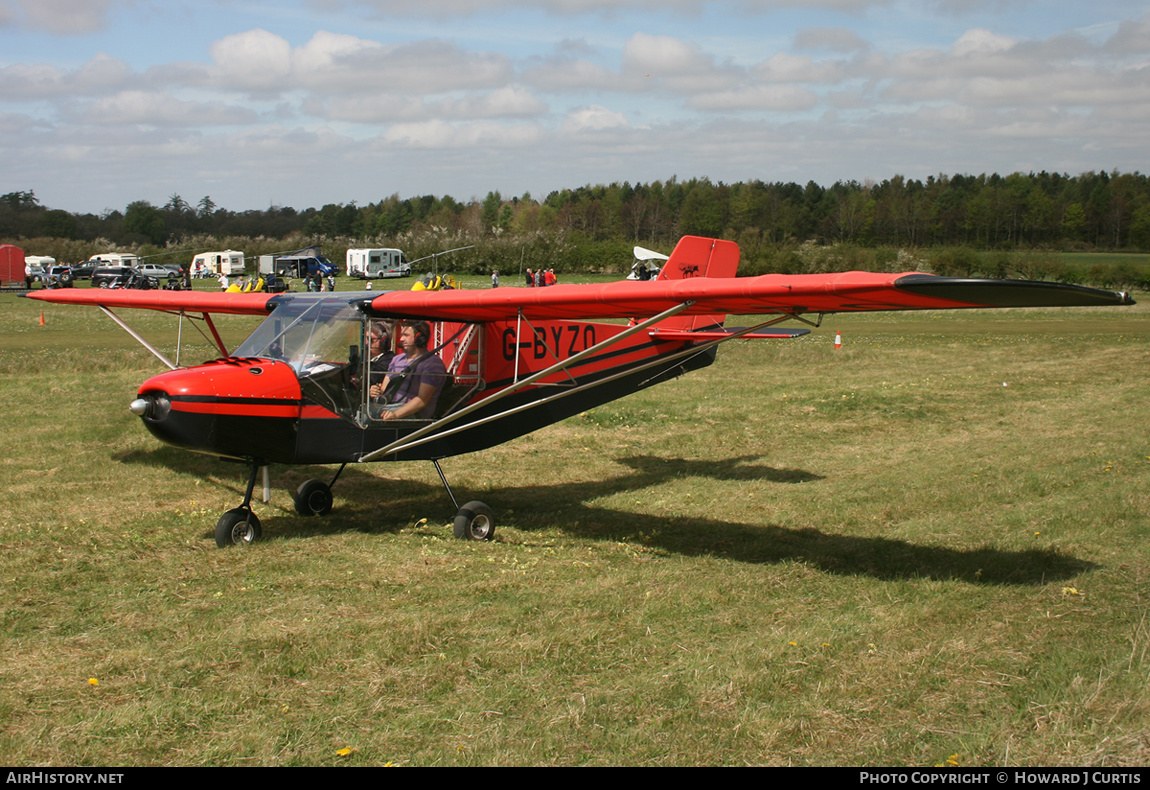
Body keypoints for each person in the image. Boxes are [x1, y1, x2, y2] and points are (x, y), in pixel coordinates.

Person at [371, 321, 447, 420]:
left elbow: (422, 400)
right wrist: (376, 390)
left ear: (420, 338)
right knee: (360, 412)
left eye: (406, 335)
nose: (401, 339)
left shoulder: (432, 364)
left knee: (366, 417)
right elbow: (384, 389)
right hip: (389, 407)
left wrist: (395, 415)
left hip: (413, 415)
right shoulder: (397, 359)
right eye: (402, 335)